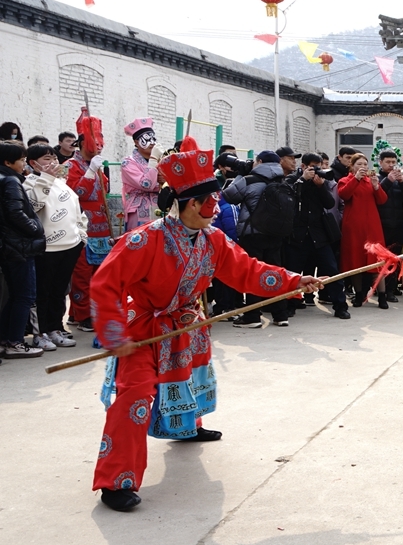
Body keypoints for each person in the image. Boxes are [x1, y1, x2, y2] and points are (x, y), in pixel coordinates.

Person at [89, 141, 322, 511]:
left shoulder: (214, 240)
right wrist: (114, 335)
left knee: (190, 378)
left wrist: (295, 281)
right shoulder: (143, 240)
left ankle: (186, 427)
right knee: (133, 398)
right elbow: (104, 284)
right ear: (187, 204)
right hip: (144, 330)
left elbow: (248, 271)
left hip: (186, 325)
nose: (214, 210)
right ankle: (116, 480)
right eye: (206, 203)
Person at [23, 143, 86, 350]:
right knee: (42, 292)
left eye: (54, 158)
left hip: (69, 246)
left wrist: (81, 235)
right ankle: (40, 332)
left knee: (59, 291)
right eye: (46, 159)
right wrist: (47, 179)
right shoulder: (29, 184)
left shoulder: (62, 183)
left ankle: (55, 328)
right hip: (46, 248)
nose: (53, 163)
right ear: (33, 163)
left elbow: (77, 209)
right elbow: (34, 206)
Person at [223, 150, 292, 328]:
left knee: (253, 272)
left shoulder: (249, 180)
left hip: (253, 233)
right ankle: (280, 314)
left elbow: (228, 196)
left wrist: (240, 174)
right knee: (275, 271)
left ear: (259, 161)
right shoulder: (282, 181)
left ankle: (252, 316)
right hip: (276, 233)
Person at [65, 106, 112, 333]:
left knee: (98, 271)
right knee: (81, 272)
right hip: (81, 224)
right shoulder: (70, 167)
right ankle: (82, 314)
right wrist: (90, 173)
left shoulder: (98, 165)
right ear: (83, 142)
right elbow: (75, 195)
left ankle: (83, 311)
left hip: (101, 226)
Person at [286, 153, 350, 319]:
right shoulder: (293, 180)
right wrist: (303, 180)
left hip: (319, 235)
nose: (317, 170)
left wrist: (321, 186)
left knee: (332, 270)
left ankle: (340, 306)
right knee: (293, 273)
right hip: (298, 236)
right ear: (303, 167)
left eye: (319, 167)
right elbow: (291, 199)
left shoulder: (321, 182)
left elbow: (329, 203)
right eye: (313, 167)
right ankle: (289, 306)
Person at [0, 141, 46, 358]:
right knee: (25, 296)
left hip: (9, 247)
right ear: (8, 162)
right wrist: (36, 229)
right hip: (18, 247)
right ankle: (15, 342)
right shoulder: (10, 181)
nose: (23, 165)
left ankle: (6, 339)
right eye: (20, 160)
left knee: (15, 295)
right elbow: (16, 213)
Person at [337, 153, 389, 308]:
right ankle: (359, 294)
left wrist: (376, 186)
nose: (363, 167)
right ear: (352, 166)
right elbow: (344, 195)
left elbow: (382, 200)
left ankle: (382, 296)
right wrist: (356, 178)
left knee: (377, 260)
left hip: (372, 226)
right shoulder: (345, 181)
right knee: (356, 260)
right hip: (354, 227)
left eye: (365, 164)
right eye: (359, 164)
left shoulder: (371, 181)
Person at [377, 149, 403, 301]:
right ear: (380, 163)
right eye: (388, 162)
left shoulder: (399, 180)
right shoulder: (377, 179)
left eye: (393, 162)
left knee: (394, 258)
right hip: (381, 226)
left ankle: (391, 289)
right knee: (380, 260)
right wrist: (389, 180)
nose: (391, 165)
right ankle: (380, 290)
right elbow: (377, 195)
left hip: (397, 224)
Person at [120, 118, 163, 231]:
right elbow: (146, 184)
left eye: (153, 138)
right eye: (147, 138)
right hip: (139, 212)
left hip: (160, 209)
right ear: (136, 142)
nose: (152, 142)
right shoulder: (128, 163)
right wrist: (153, 159)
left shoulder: (161, 160)